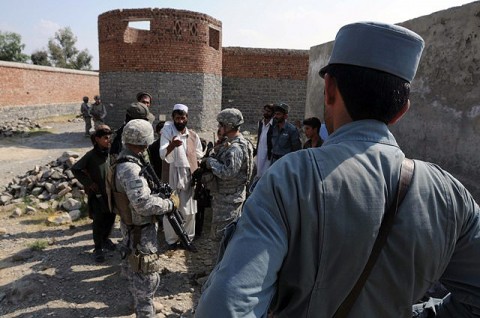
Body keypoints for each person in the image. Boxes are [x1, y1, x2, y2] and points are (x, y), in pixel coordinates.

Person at [196, 22, 480, 317]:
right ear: (402, 110)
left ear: (329, 89)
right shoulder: (449, 194)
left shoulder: (290, 179)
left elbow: (226, 307)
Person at [114, 119, 179, 317]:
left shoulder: (124, 159)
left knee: (134, 268)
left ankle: (139, 303)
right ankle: (145, 310)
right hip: (140, 228)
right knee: (146, 273)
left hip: (131, 225)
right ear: (144, 141)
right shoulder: (131, 168)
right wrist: (170, 204)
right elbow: (143, 204)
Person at [201, 108, 254, 244]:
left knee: (223, 238)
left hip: (228, 200)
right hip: (229, 197)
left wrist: (210, 162)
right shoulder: (235, 143)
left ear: (229, 126)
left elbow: (228, 173)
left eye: (221, 125)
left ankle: (221, 265)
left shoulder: (236, 148)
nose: (219, 127)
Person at [159, 104, 203, 249]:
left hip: (188, 176)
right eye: (177, 118)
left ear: (187, 118)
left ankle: (187, 239)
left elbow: (199, 154)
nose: (180, 121)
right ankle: (171, 240)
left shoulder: (193, 135)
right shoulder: (167, 131)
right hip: (171, 174)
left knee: (189, 209)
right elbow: (162, 153)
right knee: (170, 207)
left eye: (182, 118)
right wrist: (172, 145)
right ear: (173, 118)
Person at [71, 125, 116, 263]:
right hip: (98, 195)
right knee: (98, 221)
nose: (108, 141)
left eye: (110, 138)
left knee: (111, 218)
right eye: (105, 138)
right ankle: (98, 248)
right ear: (97, 139)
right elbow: (76, 169)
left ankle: (105, 239)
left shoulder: (111, 153)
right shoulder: (90, 156)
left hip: (111, 193)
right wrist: (89, 183)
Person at [255, 103, 274, 179]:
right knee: (258, 171)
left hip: (268, 153)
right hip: (260, 150)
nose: (266, 113)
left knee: (266, 172)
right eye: (265, 111)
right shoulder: (260, 123)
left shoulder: (274, 124)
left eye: (268, 111)